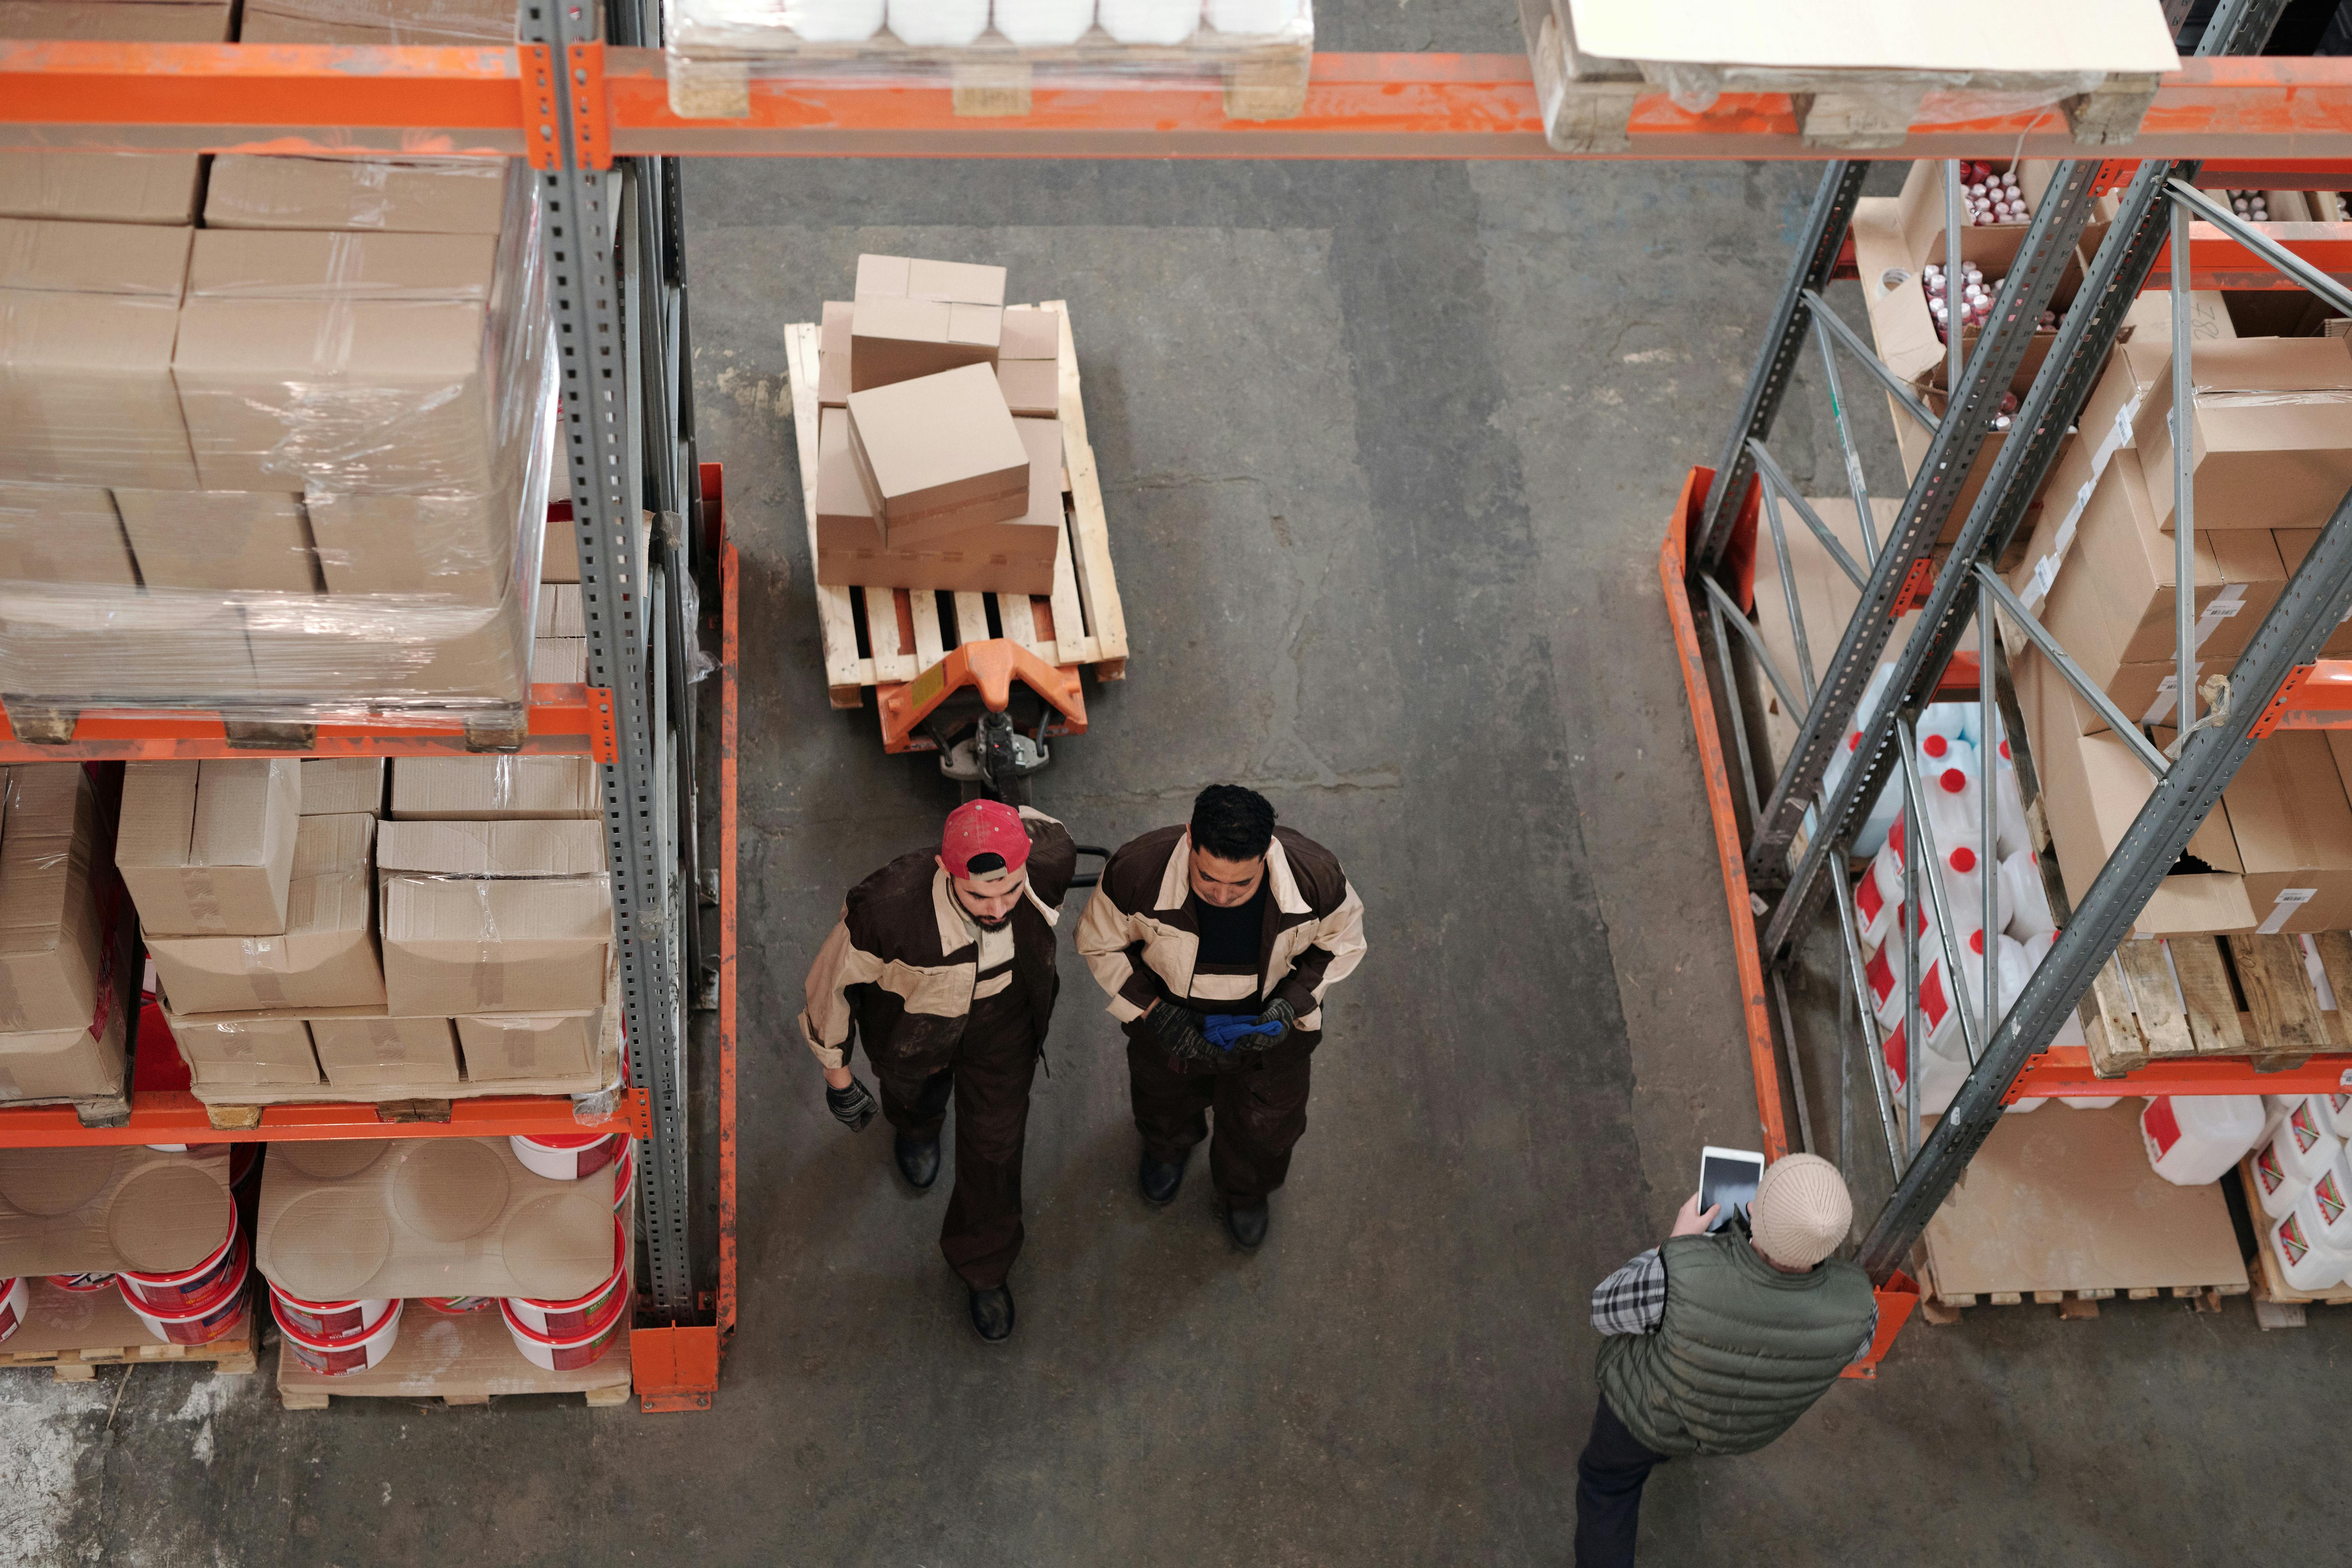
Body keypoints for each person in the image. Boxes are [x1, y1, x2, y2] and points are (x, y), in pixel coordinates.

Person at [799, 799, 1077, 1343]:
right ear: (947, 871)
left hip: (1005, 1028)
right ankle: (917, 1127)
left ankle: (984, 1266)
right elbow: (829, 987)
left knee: (996, 1151)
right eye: (979, 895)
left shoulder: (1049, 859)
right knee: (913, 1098)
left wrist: (991, 814)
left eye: (1010, 891)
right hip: (914, 1035)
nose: (998, 908)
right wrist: (839, 1077)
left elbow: (1041, 824)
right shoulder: (885, 912)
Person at [1076, 784, 1365, 1250]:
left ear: (1268, 852)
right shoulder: (1136, 872)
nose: (1223, 894)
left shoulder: (1317, 876)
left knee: (1267, 1123)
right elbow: (1099, 943)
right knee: (1164, 1098)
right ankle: (1168, 1149)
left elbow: (1344, 944)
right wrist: (1153, 1011)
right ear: (1190, 839)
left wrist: (1292, 1002)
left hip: (1274, 1032)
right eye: (1209, 877)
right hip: (1168, 1025)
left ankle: (1246, 1191)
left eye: (1242, 884)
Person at [1575, 1153, 1879, 1566]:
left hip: (1642, 1415)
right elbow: (1855, 1350)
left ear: (1755, 1213)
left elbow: (1604, 1310)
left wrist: (1671, 1249)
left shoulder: (1679, 1274)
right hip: (1737, 1430)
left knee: (1607, 1485)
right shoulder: (1861, 1306)